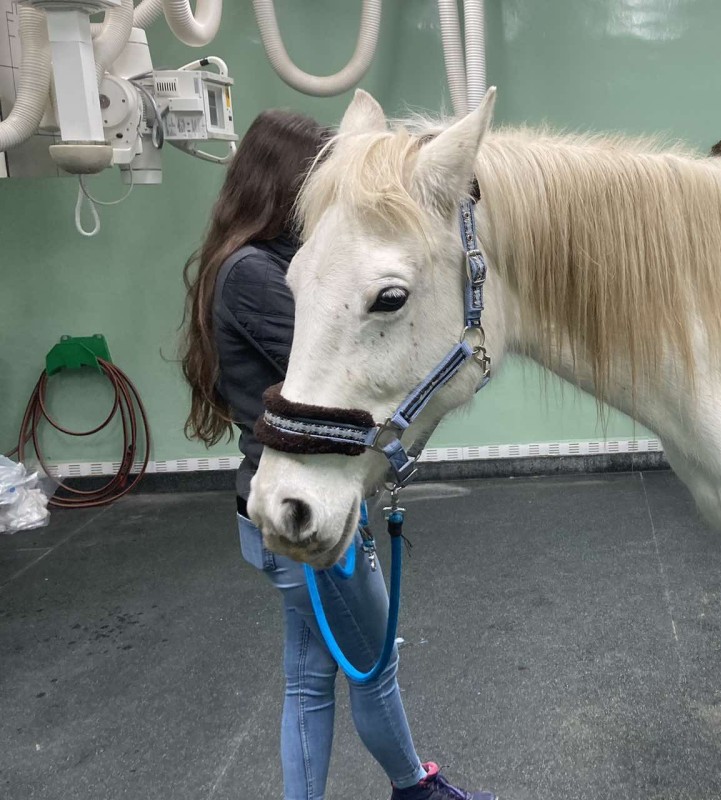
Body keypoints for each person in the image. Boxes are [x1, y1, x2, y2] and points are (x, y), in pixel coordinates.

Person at [179, 109, 496, 800]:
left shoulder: (247, 264)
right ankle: (415, 789)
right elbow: (341, 356)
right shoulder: (256, 276)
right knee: (372, 667)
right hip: (304, 502)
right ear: (287, 186)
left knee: (308, 676)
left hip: (267, 498)